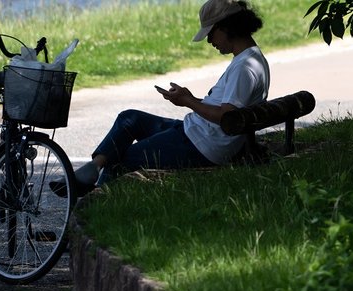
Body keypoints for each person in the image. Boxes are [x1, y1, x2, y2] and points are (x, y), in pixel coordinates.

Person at [65, 0, 270, 192]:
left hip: (201, 145)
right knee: (130, 119)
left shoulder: (244, 67)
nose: (209, 41)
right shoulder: (249, 59)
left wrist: (188, 102)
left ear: (226, 27)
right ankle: (93, 167)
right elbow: (228, 109)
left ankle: (92, 205)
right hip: (196, 133)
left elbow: (227, 117)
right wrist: (190, 98)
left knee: (119, 159)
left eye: (210, 33)